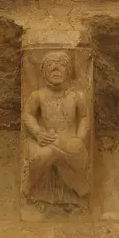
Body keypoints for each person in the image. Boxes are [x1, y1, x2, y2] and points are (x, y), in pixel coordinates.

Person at [23, 51, 91, 211]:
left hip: (68, 142)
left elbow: (84, 117)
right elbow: (28, 115)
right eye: (50, 65)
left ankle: (72, 192)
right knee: (43, 155)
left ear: (69, 71)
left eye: (61, 64)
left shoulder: (77, 96)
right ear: (44, 73)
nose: (55, 68)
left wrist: (79, 138)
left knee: (73, 151)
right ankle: (36, 189)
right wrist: (38, 133)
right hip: (46, 141)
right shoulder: (38, 95)